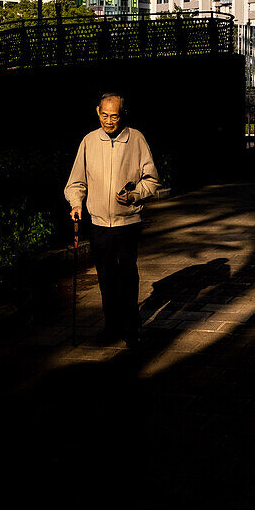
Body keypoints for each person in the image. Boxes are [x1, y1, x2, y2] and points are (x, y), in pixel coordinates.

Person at [64, 92, 160, 347]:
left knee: (127, 275)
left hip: (127, 222)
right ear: (97, 112)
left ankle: (131, 328)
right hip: (98, 224)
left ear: (122, 114)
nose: (108, 121)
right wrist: (76, 203)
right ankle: (111, 327)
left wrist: (134, 195)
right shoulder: (88, 141)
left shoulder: (136, 139)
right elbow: (76, 181)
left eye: (114, 115)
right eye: (104, 115)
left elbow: (152, 180)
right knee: (105, 276)